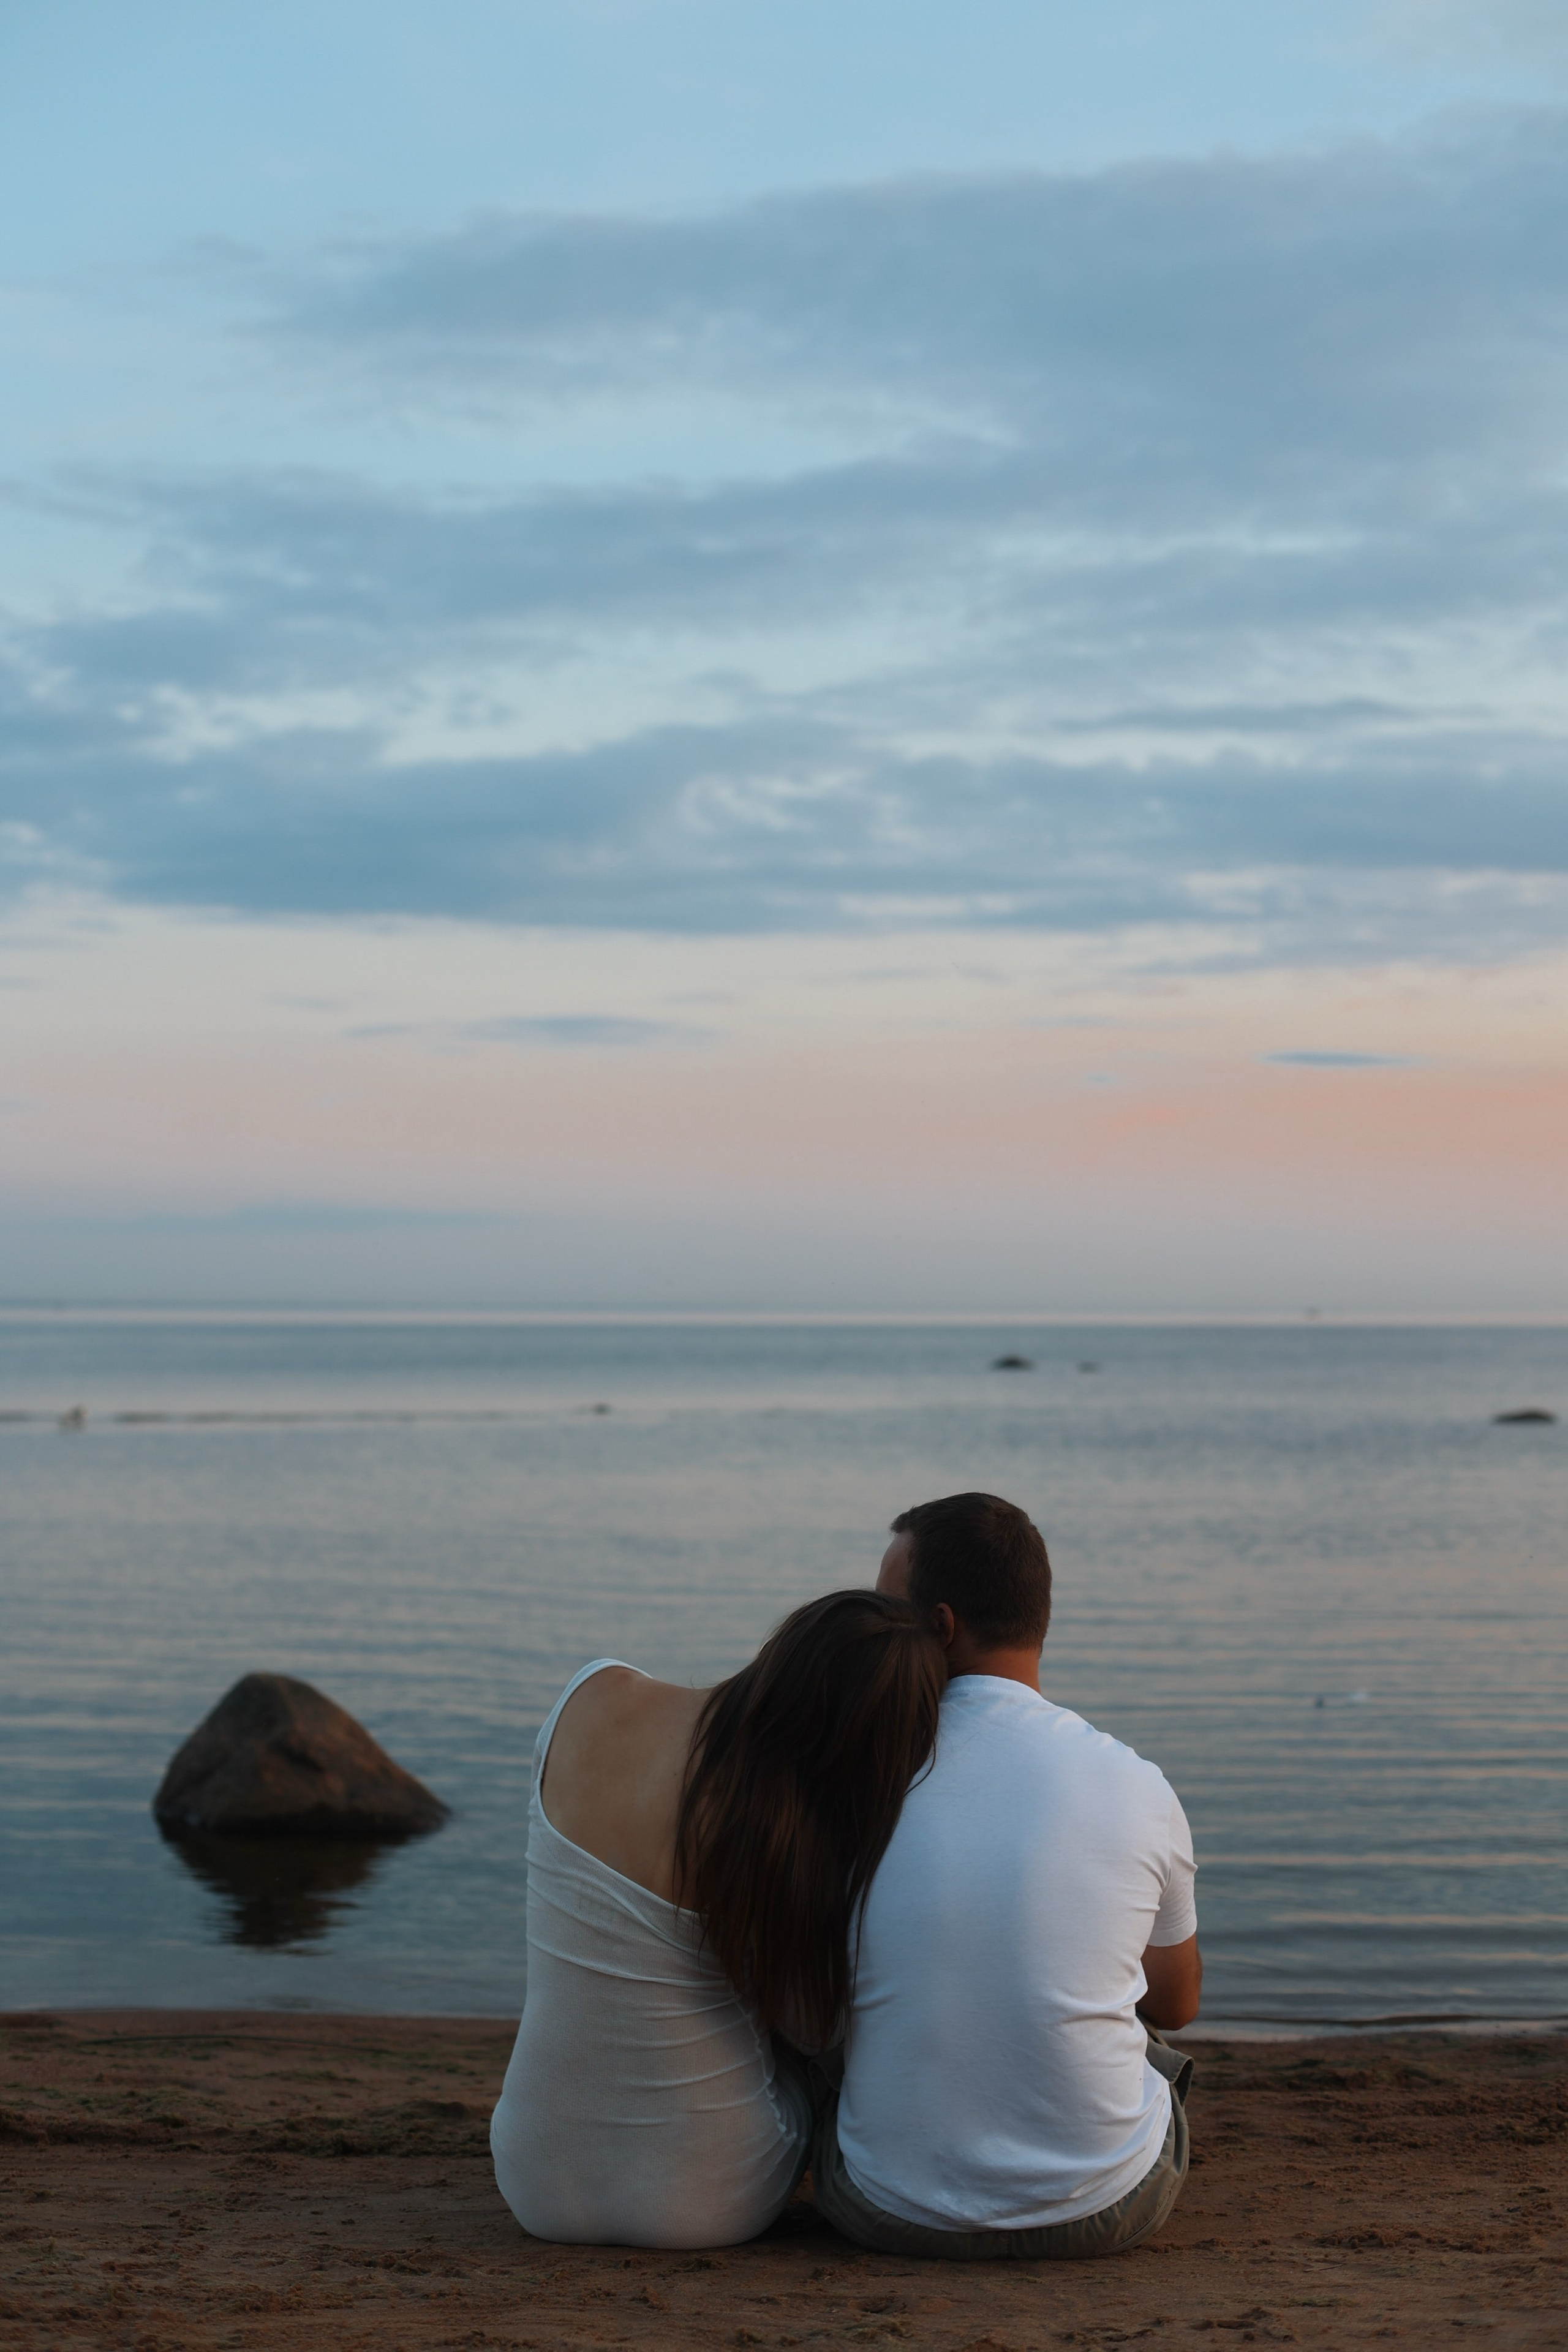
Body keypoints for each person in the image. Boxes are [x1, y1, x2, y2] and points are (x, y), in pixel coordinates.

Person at [490, 1589, 945, 2248]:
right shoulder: (774, 1827)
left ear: (785, 1647)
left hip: (532, 2179)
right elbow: (813, 2030)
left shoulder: (588, 1696)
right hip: (706, 2200)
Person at [811, 1491, 1200, 2260]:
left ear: (941, 1626)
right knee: (1139, 2029)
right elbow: (1177, 2003)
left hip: (884, 2211)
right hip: (1107, 2206)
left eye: (889, 1613)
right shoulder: (1136, 1783)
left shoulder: (851, 1780)